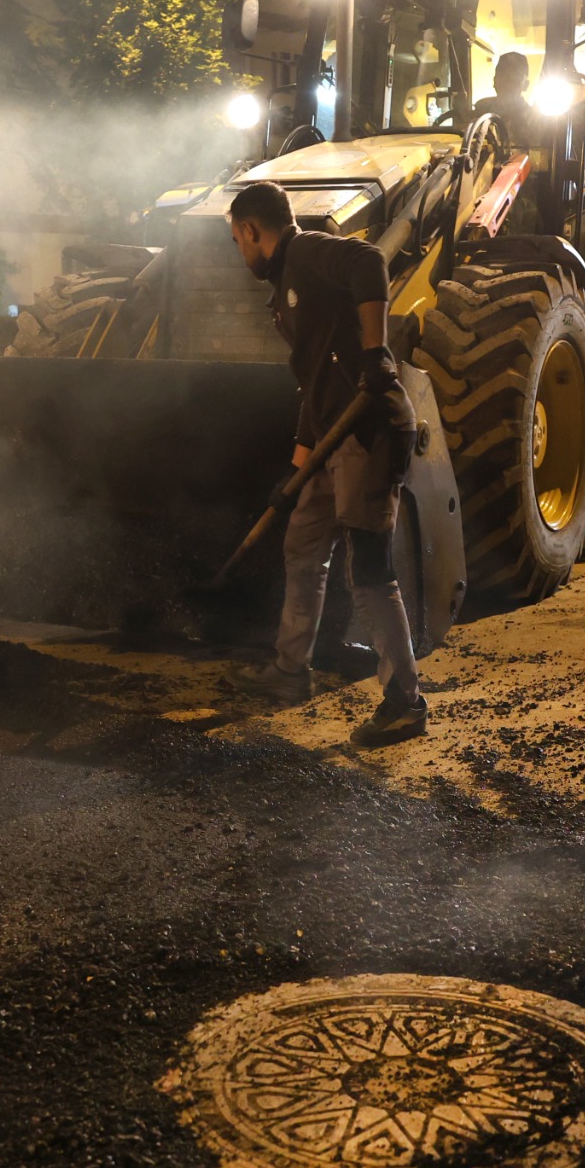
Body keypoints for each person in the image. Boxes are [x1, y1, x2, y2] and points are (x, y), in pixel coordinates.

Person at [224, 179, 429, 748]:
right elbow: (315, 396)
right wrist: (295, 473)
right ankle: (291, 671)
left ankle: (405, 702)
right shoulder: (286, 285)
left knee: (367, 571)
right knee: (302, 545)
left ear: (249, 230)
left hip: (369, 431)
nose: (240, 254)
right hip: (331, 437)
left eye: (238, 242)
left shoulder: (307, 251)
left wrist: (373, 353)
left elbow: (369, 261)